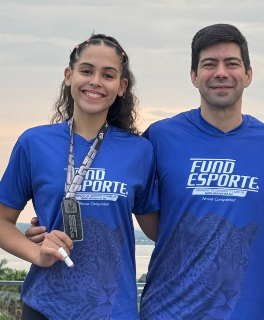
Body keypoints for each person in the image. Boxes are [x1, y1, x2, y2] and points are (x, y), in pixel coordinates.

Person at [0, 34, 159, 320]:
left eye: (108, 75)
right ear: (68, 76)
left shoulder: (140, 151)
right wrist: (36, 252)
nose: (96, 81)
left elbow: (156, 230)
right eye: (86, 71)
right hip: (46, 306)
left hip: (114, 309)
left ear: (122, 86)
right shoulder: (33, 143)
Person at [137, 24, 264, 320]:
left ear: (248, 74)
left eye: (232, 63)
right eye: (209, 64)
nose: (221, 72)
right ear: (194, 76)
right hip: (168, 312)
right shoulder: (159, 137)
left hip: (247, 312)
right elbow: (137, 208)